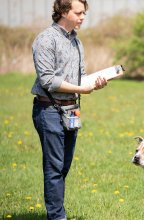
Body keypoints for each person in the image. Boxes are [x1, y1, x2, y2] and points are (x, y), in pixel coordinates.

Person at [31, 0, 108, 219]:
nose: (83, 17)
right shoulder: (46, 39)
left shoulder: (76, 42)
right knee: (55, 167)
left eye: (84, 12)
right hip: (50, 110)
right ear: (64, 12)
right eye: (79, 12)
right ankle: (57, 216)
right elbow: (48, 80)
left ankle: (55, 213)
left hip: (72, 110)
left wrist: (95, 83)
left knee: (63, 166)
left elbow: (80, 77)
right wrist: (81, 89)